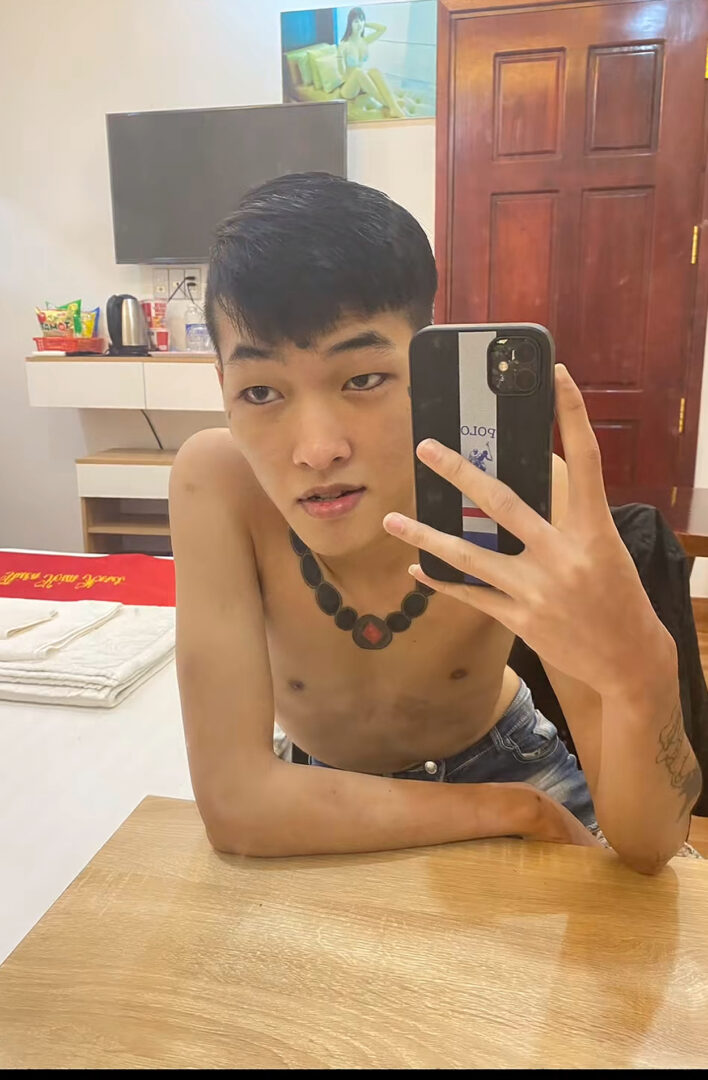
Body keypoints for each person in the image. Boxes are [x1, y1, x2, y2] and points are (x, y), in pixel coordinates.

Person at [170, 172, 702, 872]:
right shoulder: (218, 483)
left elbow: (650, 847)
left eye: (363, 379)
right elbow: (238, 804)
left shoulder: (510, 489)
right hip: (325, 791)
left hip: (509, 758)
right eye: (261, 391)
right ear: (223, 387)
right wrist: (513, 812)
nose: (317, 449)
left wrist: (645, 670)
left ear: (427, 363)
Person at [337, 8, 407, 120]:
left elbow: (382, 29)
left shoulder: (364, 41)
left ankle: (393, 105)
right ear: (350, 24)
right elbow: (341, 73)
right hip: (348, 88)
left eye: (361, 20)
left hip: (362, 85)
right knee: (359, 72)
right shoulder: (344, 45)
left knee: (374, 71)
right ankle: (392, 105)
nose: (359, 24)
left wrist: (365, 24)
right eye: (356, 21)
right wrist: (340, 56)